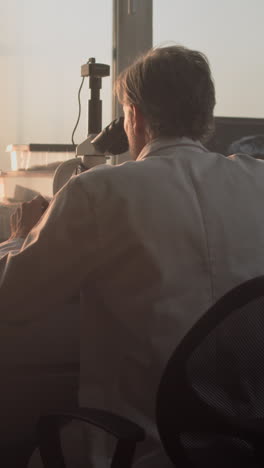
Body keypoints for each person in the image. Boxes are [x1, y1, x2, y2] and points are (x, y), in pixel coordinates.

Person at [2, 45, 264, 467]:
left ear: (134, 116)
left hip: (132, 451)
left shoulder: (99, 191)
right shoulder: (259, 184)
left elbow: (13, 302)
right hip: (243, 449)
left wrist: (20, 237)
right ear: (205, 116)